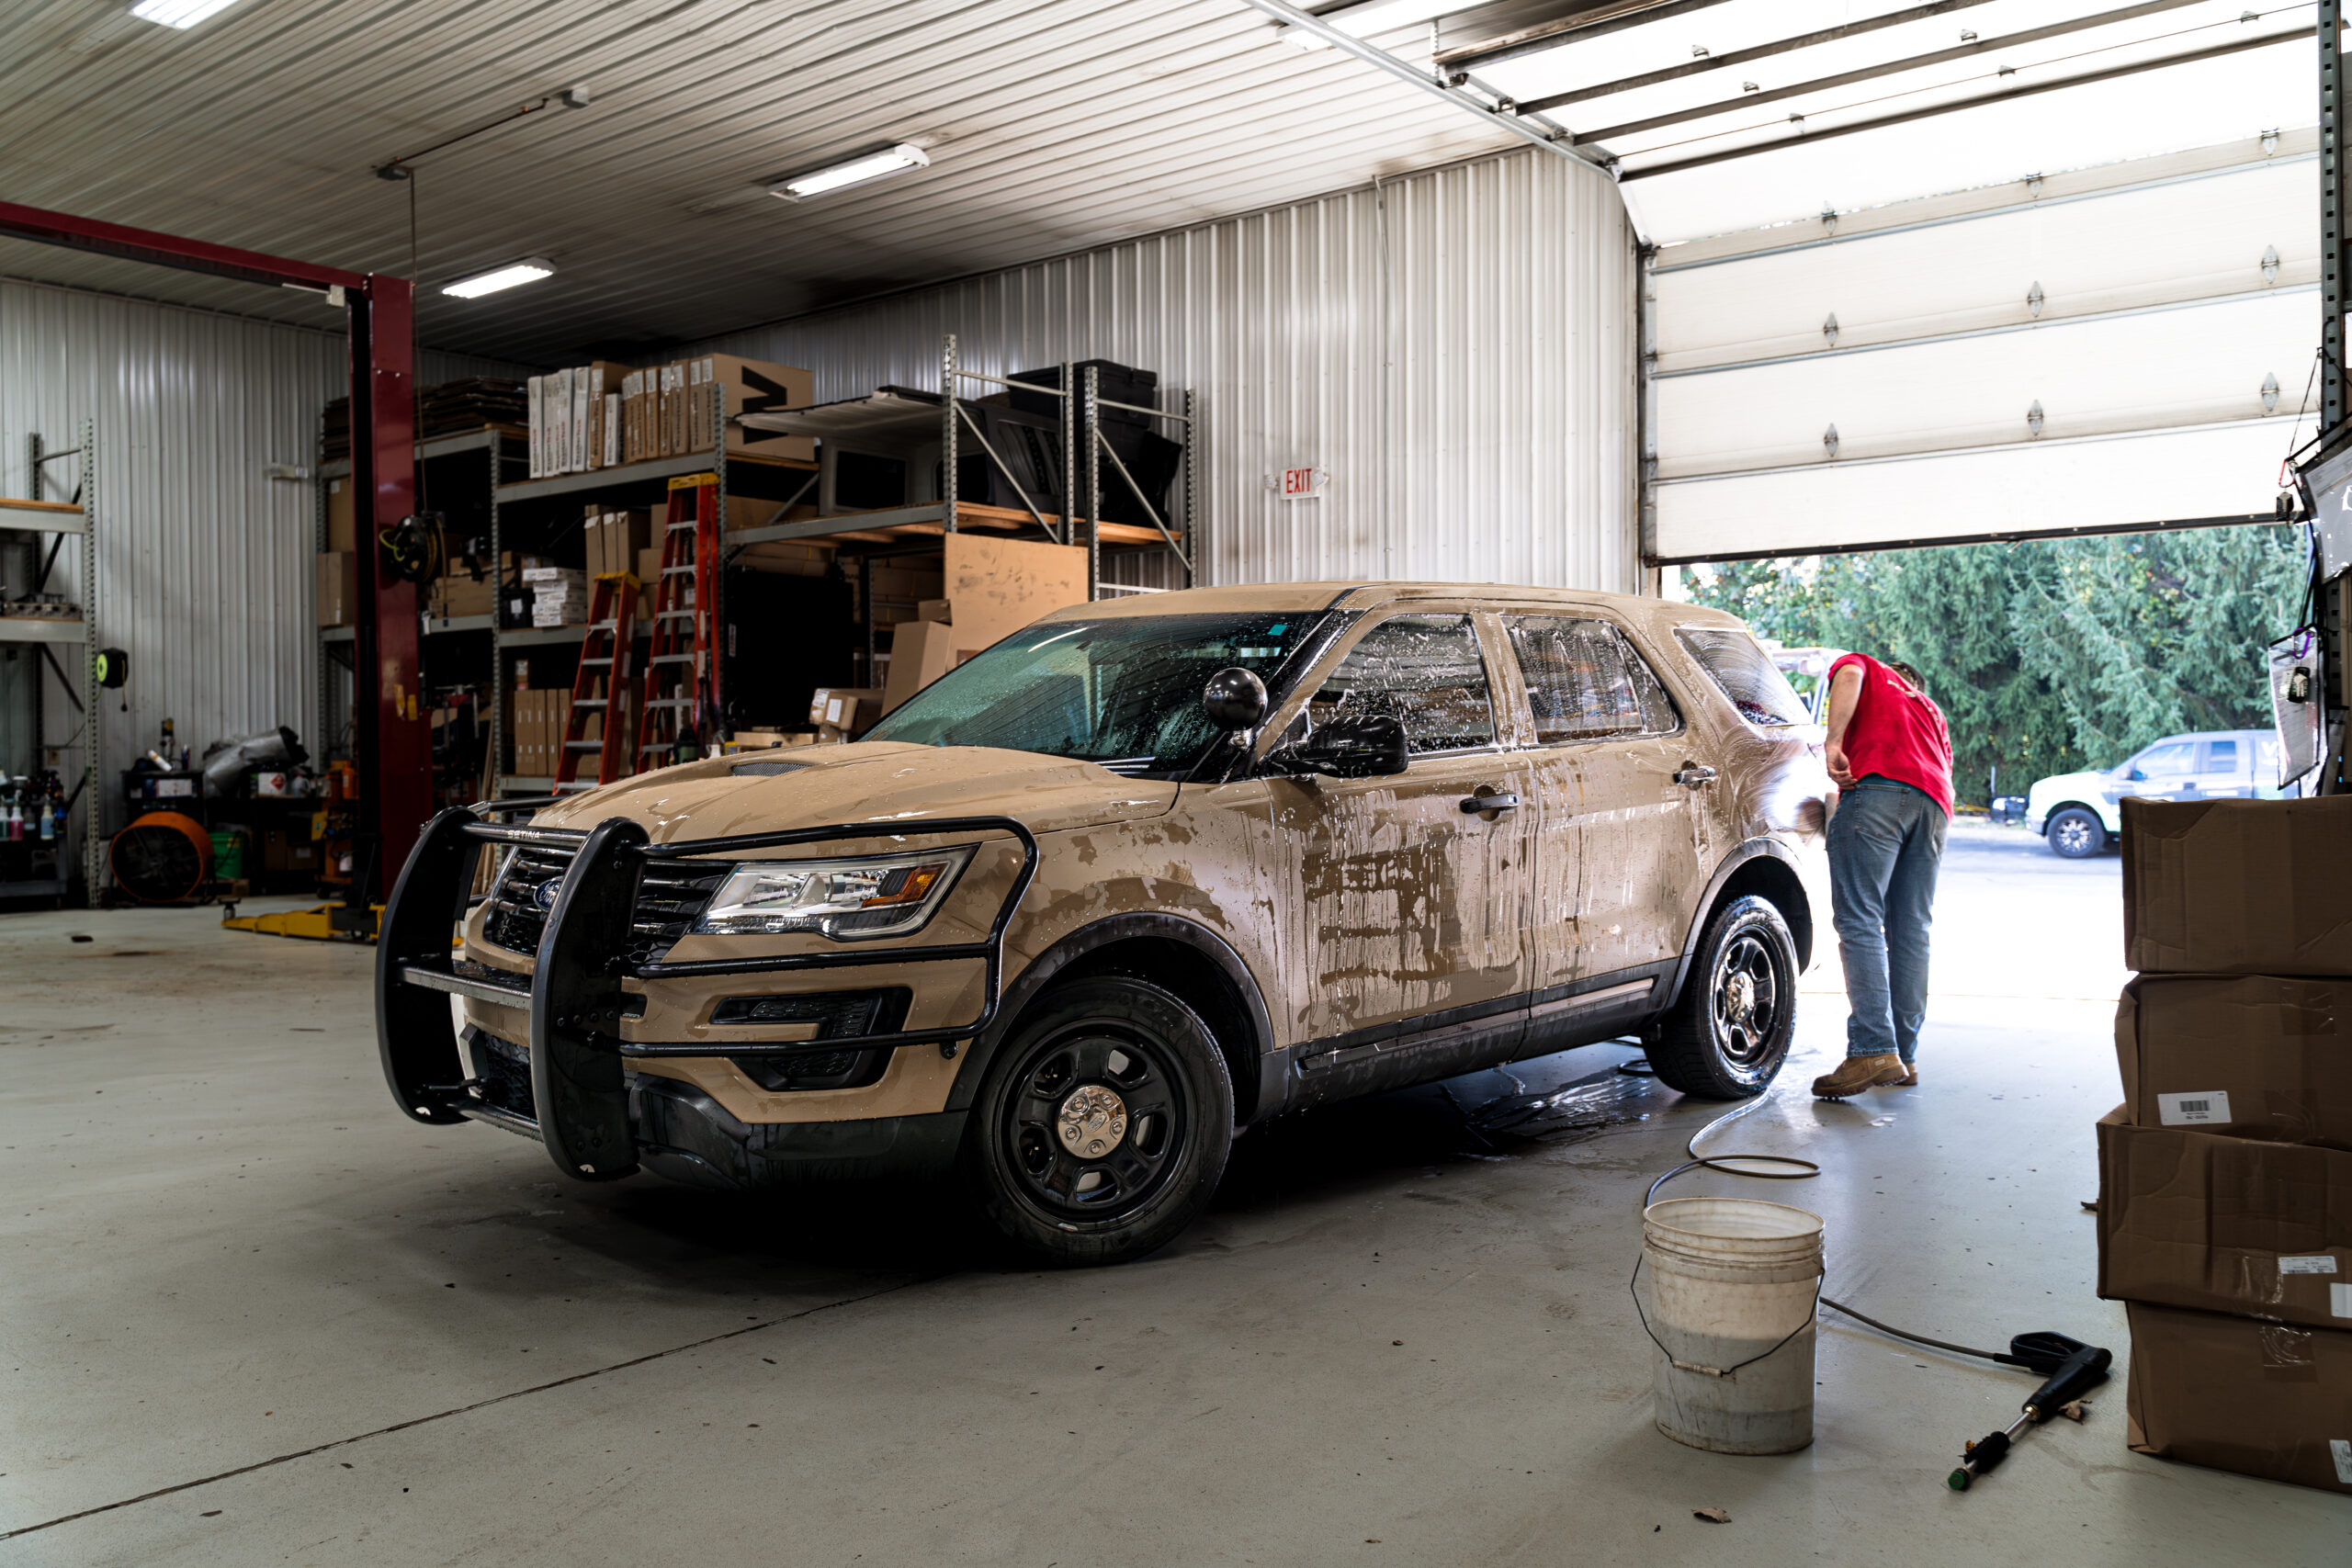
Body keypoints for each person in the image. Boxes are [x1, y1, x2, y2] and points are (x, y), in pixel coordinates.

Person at [1811, 654, 1954, 1100]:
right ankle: (1904, 1057)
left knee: (1860, 920)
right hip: (1934, 806)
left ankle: (1872, 1049)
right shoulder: (1931, 711)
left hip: (1878, 790)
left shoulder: (1865, 667)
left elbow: (1849, 675)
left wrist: (1833, 742)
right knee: (1912, 931)